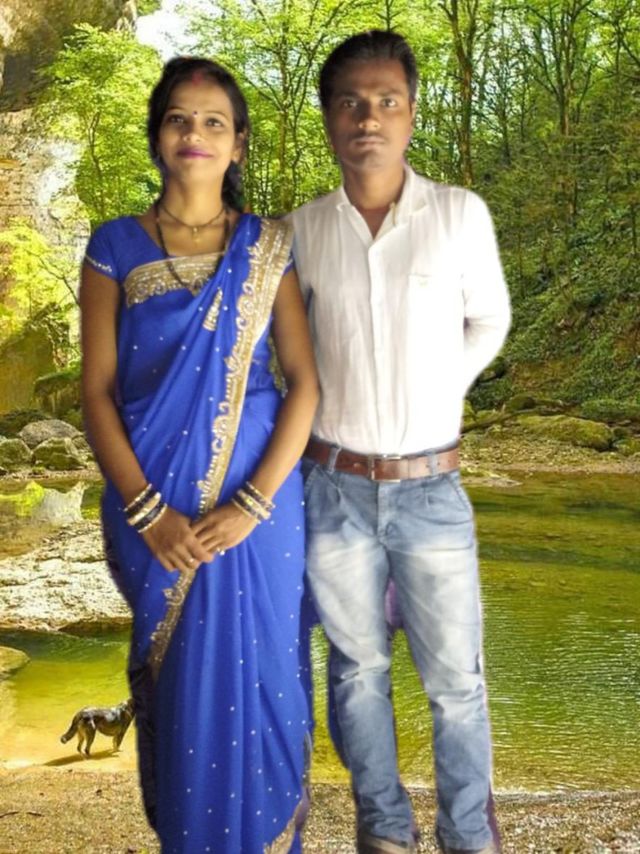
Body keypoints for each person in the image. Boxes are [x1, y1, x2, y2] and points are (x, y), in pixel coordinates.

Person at [80, 57, 319, 853]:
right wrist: (148, 512)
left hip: (261, 510)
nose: (196, 133)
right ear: (158, 136)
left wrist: (252, 504)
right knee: (185, 695)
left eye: (215, 121)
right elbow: (97, 393)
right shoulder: (115, 246)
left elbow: (305, 384)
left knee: (268, 678)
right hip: (153, 506)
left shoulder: (269, 247)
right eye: (179, 118)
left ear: (238, 143)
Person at [290, 31, 510, 854]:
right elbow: (286, 354)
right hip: (333, 488)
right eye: (351, 103)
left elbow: (489, 318)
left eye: (386, 102)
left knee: (456, 682)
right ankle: (383, 829)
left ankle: (467, 835)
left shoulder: (457, 213)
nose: (368, 119)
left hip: (431, 490)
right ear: (328, 118)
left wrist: (441, 388)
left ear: (412, 114)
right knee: (356, 673)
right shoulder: (301, 231)